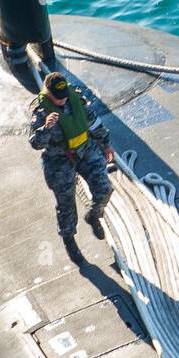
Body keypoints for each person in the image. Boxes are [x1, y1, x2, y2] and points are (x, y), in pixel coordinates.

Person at [28, 71, 115, 262]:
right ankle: (69, 239)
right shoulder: (41, 113)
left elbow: (94, 124)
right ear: (48, 93)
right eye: (56, 98)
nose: (61, 101)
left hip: (85, 150)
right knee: (66, 205)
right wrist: (46, 128)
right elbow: (36, 144)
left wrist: (106, 144)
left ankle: (94, 215)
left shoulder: (77, 101)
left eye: (64, 96)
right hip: (59, 159)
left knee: (105, 189)